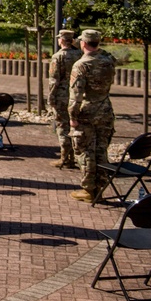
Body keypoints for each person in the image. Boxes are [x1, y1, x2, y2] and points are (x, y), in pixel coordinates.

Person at [68, 29, 116, 203]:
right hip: (105, 110)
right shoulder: (109, 61)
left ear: (83, 43)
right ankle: (100, 188)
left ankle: (88, 189)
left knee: (85, 151)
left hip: (87, 113)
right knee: (102, 150)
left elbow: (76, 95)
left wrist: (73, 117)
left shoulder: (81, 65)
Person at [48, 30, 82, 169]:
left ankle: (65, 157)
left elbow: (54, 80)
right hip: (77, 95)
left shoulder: (58, 56)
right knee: (75, 125)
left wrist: (51, 97)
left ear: (62, 40)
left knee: (62, 126)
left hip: (62, 95)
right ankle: (75, 155)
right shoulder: (80, 54)